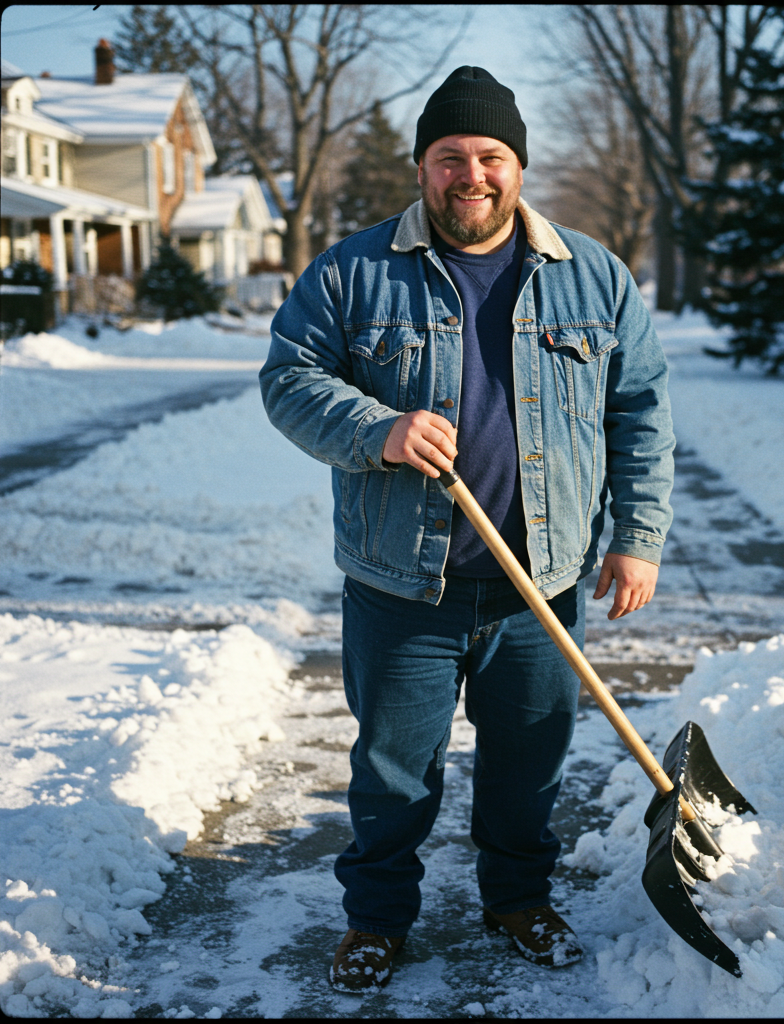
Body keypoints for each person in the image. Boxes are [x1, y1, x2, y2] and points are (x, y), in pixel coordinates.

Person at [260, 66, 674, 993]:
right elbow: (288, 382)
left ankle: (518, 899)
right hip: (404, 584)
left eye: (491, 156)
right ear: (422, 169)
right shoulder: (354, 272)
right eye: (451, 157)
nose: (471, 175)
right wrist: (380, 428)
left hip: (542, 581)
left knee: (528, 769)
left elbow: (639, 411)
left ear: (518, 167)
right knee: (392, 773)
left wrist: (637, 536)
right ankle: (377, 920)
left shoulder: (592, 276)